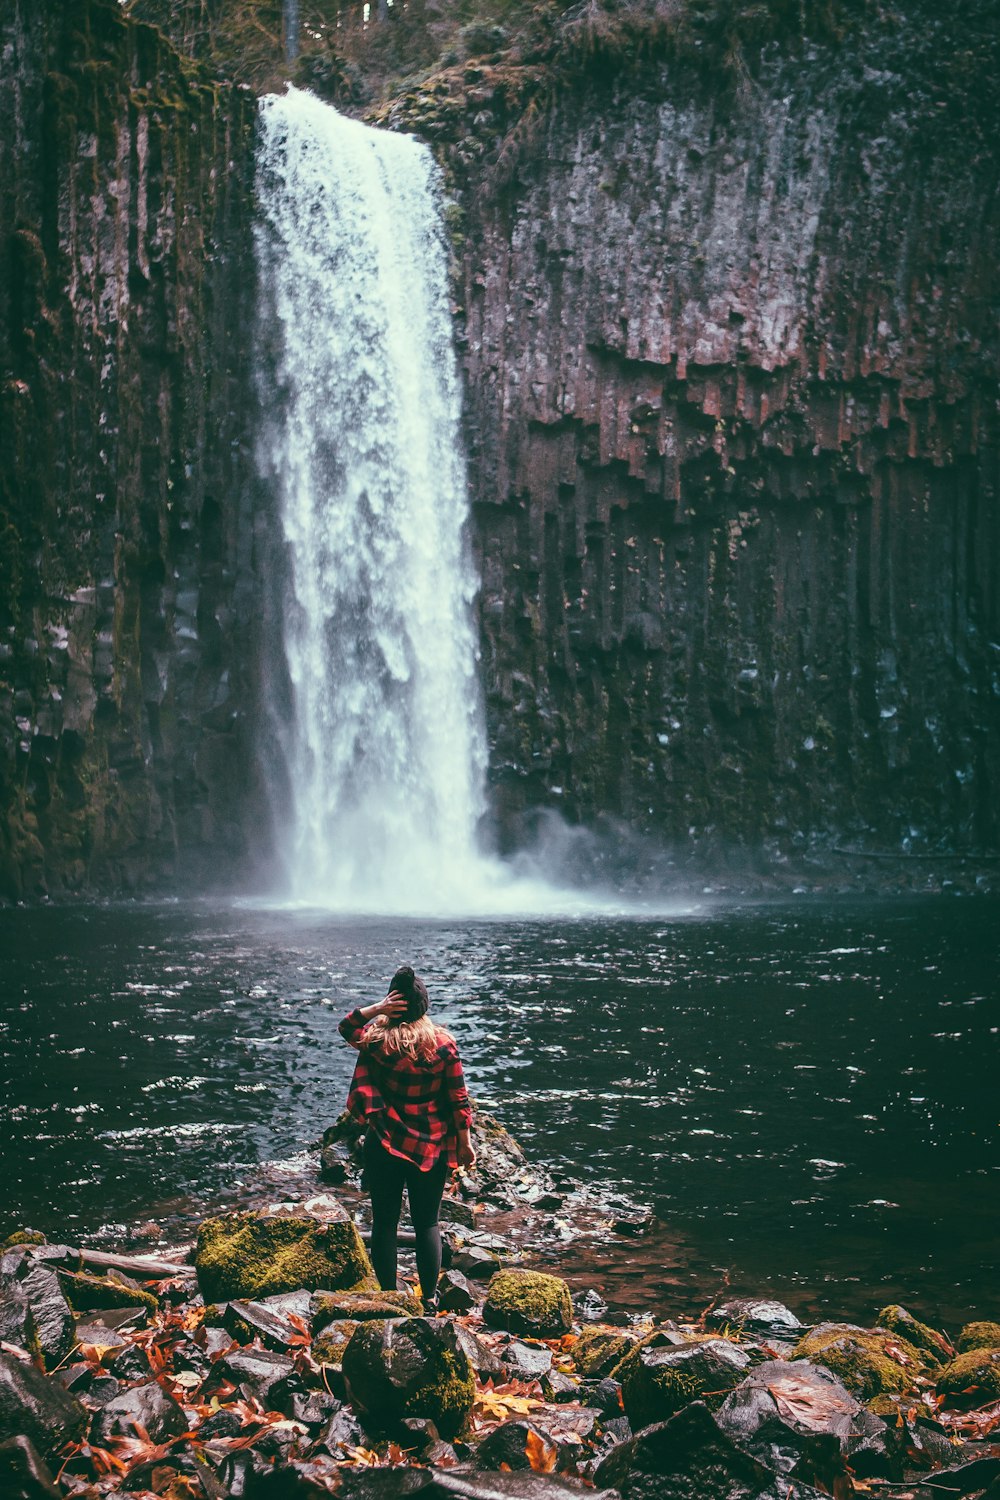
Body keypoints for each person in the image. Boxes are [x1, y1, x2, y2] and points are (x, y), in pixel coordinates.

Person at [339, 965, 475, 1312]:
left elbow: (346, 1026)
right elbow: (458, 1099)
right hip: (430, 1145)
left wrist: (375, 1009)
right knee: (427, 1222)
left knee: (385, 1222)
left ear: (392, 1004)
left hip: (384, 1142)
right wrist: (464, 1141)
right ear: (423, 1007)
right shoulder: (442, 1045)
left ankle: (389, 1298)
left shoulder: (375, 1040)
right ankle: (428, 1298)